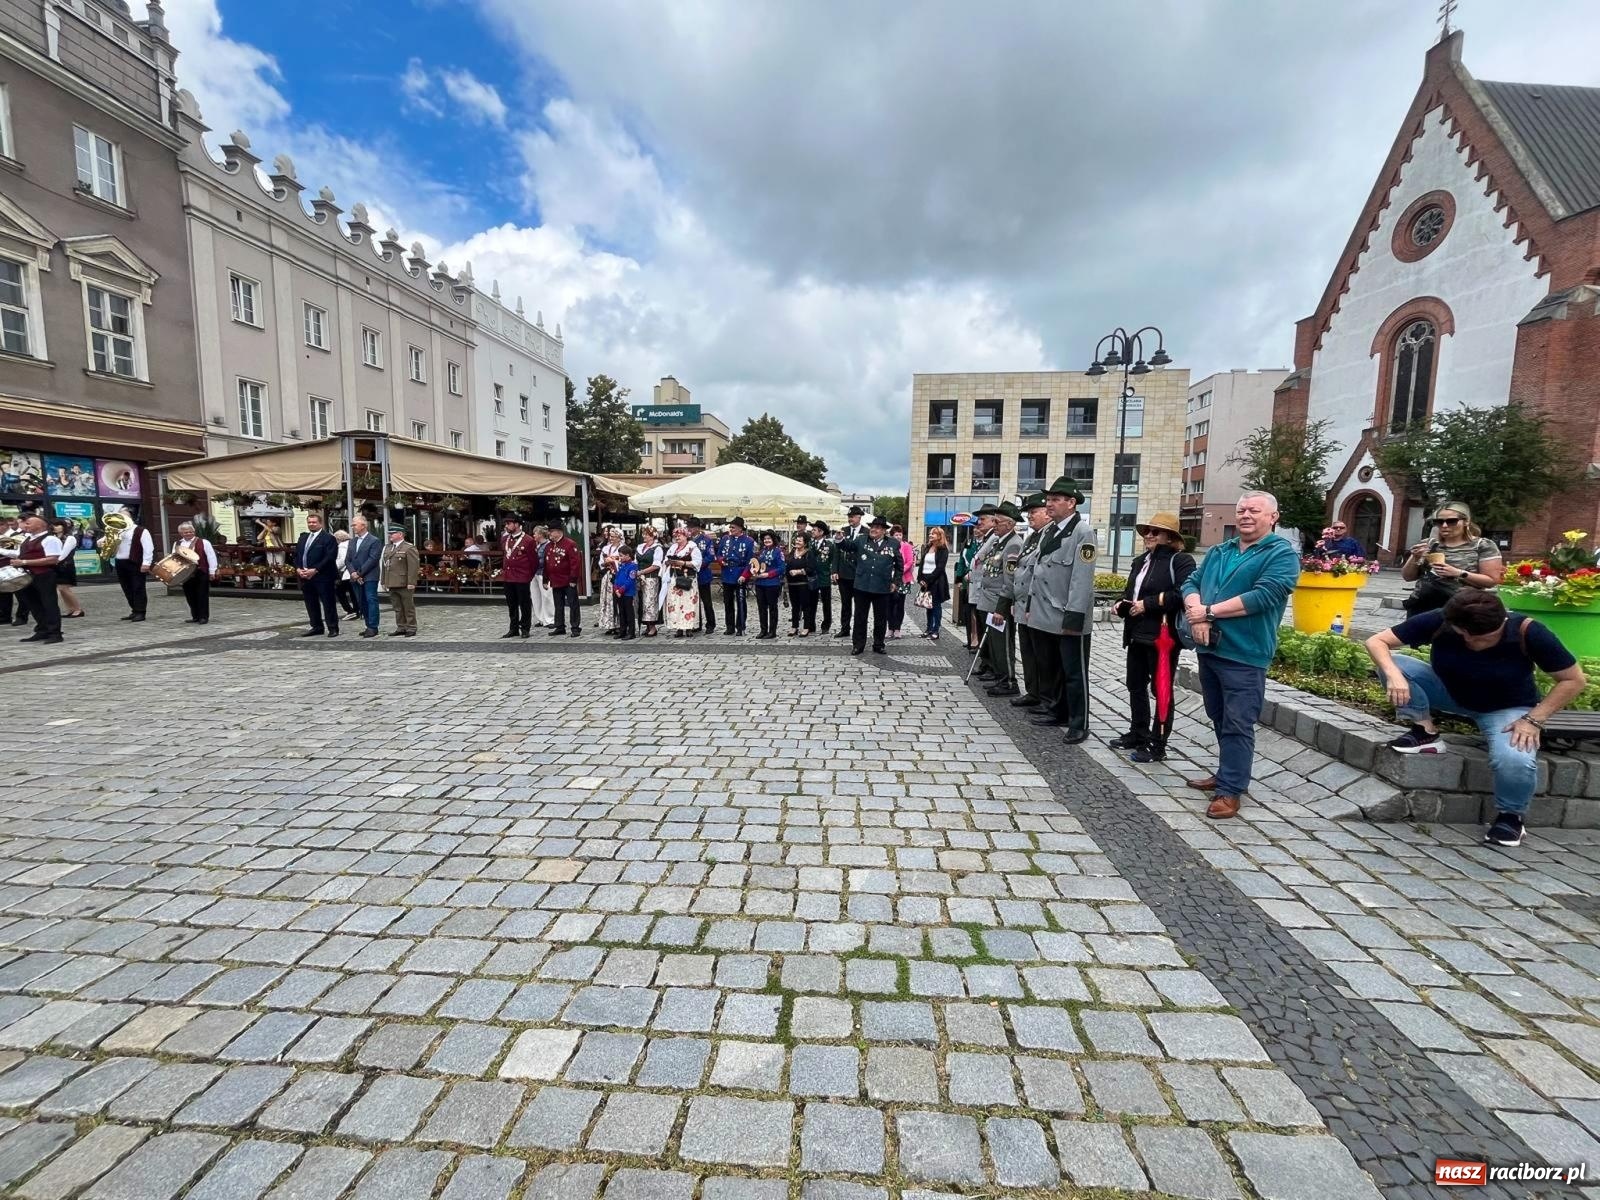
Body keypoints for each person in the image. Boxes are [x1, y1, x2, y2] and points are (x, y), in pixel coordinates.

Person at [1365, 589, 1586, 847]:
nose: (1471, 641)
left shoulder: (1529, 631)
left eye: (1482, 638)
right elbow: (1377, 641)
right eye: (1463, 634)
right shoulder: (1441, 619)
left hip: (1506, 708)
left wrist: (1534, 719)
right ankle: (1425, 731)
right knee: (1396, 664)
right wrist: (1393, 674)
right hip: (1450, 693)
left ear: (1501, 623)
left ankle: (1511, 816)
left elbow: (1573, 680)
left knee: (1514, 759)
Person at [1180, 490, 1302, 820]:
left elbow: (1265, 595)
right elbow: (1190, 582)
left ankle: (1231, 791)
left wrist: (1208, 612)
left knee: (1238, 722)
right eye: (1242, 509)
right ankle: (1227, 773)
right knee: (1219, 715)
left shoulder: (1281, 554)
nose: (1246, 515)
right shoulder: (1221, 550)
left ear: (1273, 517)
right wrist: (1197, 612)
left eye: (1255, 510)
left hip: (1245, 654)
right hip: (1211, 649)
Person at [1110, 512, 1196, 763]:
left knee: (1161, 691)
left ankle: (1158, 744)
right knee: (1134, 685)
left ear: (1169, 537)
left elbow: (1183, 593)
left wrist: (1148, 604)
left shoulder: (1181, 561)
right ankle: (1138, 732)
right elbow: (1129, 592)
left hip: (1162, 636)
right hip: (1136, 633)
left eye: (1155, 531)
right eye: (1147, 530)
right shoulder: (1140, 561)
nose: (1148, 535)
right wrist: (1120, 605)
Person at [1025, 479, 1098, 741]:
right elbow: (1036, 574)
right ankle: (1059, 711)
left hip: (1067, 615)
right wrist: (1030, 607)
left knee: (1074, 673)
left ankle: (1079, 722)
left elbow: (1081, 579)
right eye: (1049, 499)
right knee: (1053, 668)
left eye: (1056, 499)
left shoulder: (1082, 532)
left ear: (1071, 503)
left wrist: (1074, 616)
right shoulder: (1049, 532)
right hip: (1045, 614)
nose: (1049, 503)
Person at [1399, 501, 1504, 616]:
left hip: (1461, 608)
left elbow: (1492, 581)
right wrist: (1415, 557)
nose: (1444, 526)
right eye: (1439, 522)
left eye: (1451, 521)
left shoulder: (1483, 545)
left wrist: (1458, 573)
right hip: (1422, 606)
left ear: (1466, 521)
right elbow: (1407, 577)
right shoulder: (1429, 544)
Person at [971, 504, 1024, 693]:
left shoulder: (1014, 543)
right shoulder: (999, 542)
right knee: (994, 644)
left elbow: (1009, 581)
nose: (994, 525)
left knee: (1003, 645)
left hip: (998, 603)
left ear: (1010, 524)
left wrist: (1001, 608)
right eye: (993, 521)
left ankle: (1008, 681)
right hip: (988, 600)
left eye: (997, 521)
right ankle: (999, 676)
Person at [1011, 494, 1057, 709]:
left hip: (1037, 605)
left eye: (1033, 512)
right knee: (1028, 652)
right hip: (1023, 603)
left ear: (1047, 514)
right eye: (1028, 512)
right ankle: (1033, 691)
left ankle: (1046, 697)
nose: (1029, 516)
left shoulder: (1048, 536)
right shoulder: (1031, 538)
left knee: (1043, 656)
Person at [850, 516, 900, 655]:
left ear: (884, 530)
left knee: (880, 618)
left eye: (877, 527)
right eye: (872, 527)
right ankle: (858, 645)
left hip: (882, 587)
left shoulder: (893, 543)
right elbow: (848, 547)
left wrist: (895, 582)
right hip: (862, 585)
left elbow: (899, 566)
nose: (873, 529)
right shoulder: (861, 540)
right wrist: (839, 539)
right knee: (860, 617)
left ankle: (878, 644)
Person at [11, 516, 64, 643]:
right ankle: (42, 629)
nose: (25, 525)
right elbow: (20, 554)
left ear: (40, 526)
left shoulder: (50, 539)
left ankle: (55, 633)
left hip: (44, 575)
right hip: (28, 576)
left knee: (49, 603)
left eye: (28, 523)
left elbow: (53, 559)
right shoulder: (27, 539)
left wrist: (23, 561)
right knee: (33, 604)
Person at [291, 511, 339, 637]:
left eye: (314, 522)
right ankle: (316, 626)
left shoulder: (328, 538)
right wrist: (298, 568)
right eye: (309, 522)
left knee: (328, 603)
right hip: (305, 576)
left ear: (320, 523)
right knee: (311, 603)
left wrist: (315, 569)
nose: (311, 524)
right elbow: (296, 555)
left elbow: (330, 557)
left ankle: (333, 627)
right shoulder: (303, 538)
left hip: (323, 576)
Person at [959, 507, 997, 652]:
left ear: (993, 521)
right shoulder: (973, 542)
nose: (978, 525)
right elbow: (966, 559)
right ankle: (975, 643)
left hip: (986, 590)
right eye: (977, 522)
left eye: (982, 520)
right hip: (973, 585)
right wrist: (959, 576)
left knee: (985, 626)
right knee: (971, 616)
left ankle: (985, 655)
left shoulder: (993, 539)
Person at [716, 518, 756, 636]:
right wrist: (721, 561)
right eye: (730, 527)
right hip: (727, 573)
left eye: (733, 527)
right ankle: (730, 626)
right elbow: (718, 554)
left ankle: (740, 626)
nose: (731, 529)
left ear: (740, 528)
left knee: (741, 601)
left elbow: (751, 561)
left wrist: (744, 575)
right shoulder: (725, 539)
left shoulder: (749, 541)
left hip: (740, 573)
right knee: (728, 602)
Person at [831, 506, 866, 640]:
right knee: (845, 604)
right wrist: (834, 570)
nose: (850, 519)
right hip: (844, 573)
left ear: (859, 517)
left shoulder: (866, 532)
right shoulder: (843, 531)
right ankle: (845, 628)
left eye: (853, 516)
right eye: (849, 516)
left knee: (860, 605)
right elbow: (836, 552)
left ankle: (858, 629)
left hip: (859, 574)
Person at [174, 521, 219, 625]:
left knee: (202, 595)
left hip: (200, 571)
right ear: (181, 533)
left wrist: (212, 571)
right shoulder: (178, 544)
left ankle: (203, 617)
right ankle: (195, 616)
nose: (189, 534)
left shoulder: (204, 542)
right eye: (186, 532)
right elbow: (174, 558)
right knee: (190, 595)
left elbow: (211, 557)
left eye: (191, 531)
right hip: (185, 574)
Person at [498, 514, 535, 639]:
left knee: (524, 603)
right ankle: (513, 628)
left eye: (509, 523)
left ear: (517, 524)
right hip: (508, 577)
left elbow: (534, 561)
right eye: (506, 524)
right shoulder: (504, 539)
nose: (506, 526)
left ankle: (525, 628)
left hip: (522, 577)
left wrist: (528, 576)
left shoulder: (528, 540)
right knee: (511, 604)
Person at [112, 514, 154, 622]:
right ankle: (134, 610)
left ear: (130, 518)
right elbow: (102, 543)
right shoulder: (116, 530)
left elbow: (148, 547)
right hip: (120, 562)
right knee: (126, 588)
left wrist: (146, 563)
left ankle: (141, 612)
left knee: (138, 587)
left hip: (135, 562)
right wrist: (102, 542)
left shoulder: (141, 530)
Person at [379, 525, 420, 636]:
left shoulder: (408, 548)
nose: (390, 535)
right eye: (389, 533)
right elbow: (385, 566)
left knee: (408, 607)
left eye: (392, 533)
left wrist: (411, 582)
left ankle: (411, 627)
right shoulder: (388, 548)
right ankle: (401, 626)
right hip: (391, 582)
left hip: (404, 582)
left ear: (400, 534)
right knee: (397, 607)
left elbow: (413, 567)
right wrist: (383, 581)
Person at [345, 516, 382, 638]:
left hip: (369, 576)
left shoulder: (374, 540)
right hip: (355, 576)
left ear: (363, 525)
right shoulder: (352, 541)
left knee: (371, 600)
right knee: (361, 601)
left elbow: (373, 559)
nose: (353, 527)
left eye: (355, 524)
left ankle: (373, 626)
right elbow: (348, 560)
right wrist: (353, 572)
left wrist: (360, 573)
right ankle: (367, 625)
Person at [663, 526, 703, 638]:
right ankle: (679, 627)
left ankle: (689, 627)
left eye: (679, 535)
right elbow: (665, 560)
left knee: (688, 602)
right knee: (675, 602)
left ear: (686, 536)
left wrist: (683, 563)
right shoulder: (673, 548)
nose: (677, 537)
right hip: (675, 577)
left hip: (687, 578)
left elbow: (697, 562)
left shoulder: (692, 547)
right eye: (675, 535)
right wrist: (669, 562)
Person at [752, 530, 786, 639]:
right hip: (760, 583)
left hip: (772, 583)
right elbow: (757, 565)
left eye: (769, 539)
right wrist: (754, 571)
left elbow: (782, 568)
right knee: (761, 607)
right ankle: (763, 630)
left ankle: (772, 631)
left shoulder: (778, 552)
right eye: (765, 539)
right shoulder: (762, 551)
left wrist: (769, 574)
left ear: (773, 540)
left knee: (772, 608)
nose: (766, 540)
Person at [918, 526, 950, 640]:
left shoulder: (943, 549)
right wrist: (920, 578)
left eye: (933, 534)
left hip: (936, 581)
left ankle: (936, 630)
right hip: (925, 580)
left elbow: (940, 568)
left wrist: (928, 580)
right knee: (928, 606)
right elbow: (922, 564)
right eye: (930, 533)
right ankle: (928, 628)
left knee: (936, 606)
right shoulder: (927, 547)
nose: (930, 535)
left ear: (939, 536)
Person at [688, 517, 718, 635]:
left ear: (697, 528)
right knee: (692, 600)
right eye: (688, 527)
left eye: (691, 527)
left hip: (702, 573)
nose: (689, 529)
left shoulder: (706, 540)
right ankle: (696, 623)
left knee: (706, 601)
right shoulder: (687, 540)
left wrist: (698, 564)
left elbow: (710, 556)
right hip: (689, 574)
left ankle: (710, 624)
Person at [50, 520, 85, 619]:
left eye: (58, 525)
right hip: (57, 566)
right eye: (54, 525)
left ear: (63, 527)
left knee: (64, 588)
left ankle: (78, 609)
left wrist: (54, 560)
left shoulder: (70, 538)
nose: (55, 527)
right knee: (61, 590)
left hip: (66, 566)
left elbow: (64, 554)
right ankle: (71, 609)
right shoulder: (54, 538)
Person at [788, 532, 819, 636]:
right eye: (796, 540)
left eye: (800, 540)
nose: (797, 542)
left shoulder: (809, 553)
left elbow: (811, 568)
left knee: (806, 606)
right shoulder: (792, 552)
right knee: (795, 606)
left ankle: (806, 627)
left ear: (805, 543)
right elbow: (788, 564)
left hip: (804, 583)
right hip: (792, 584)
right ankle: (794, 626)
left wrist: (798, 571)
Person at [637, 525, 666, 637]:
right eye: (643, 534)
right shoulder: (640, 547)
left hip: (651, 578)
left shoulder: (657, 548)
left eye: (646, 534)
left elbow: (656, 565)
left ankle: (652, 626)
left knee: (650, 602)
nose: (644, 536)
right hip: (640, 578)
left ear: (652, 536)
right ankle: (646, 625)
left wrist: (642, 571)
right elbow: (636, 561)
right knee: (642, 602)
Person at [888, 525, 916, 639]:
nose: (898, 537)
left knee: (900, 604)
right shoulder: (888, 546)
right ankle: (890, 627)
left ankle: (897, 628)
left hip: (903, 579)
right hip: (889, 579)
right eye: (896, 535)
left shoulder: (907, 546)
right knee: (889, 604)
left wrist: (899, 572)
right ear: (892, 536)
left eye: (900, 534)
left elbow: (909, 562)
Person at [598, 527, 624, 636]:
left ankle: (619, 624)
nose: (611, 538)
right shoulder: (606, 548)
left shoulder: (623, 548)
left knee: (617, 600)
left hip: (619, 576)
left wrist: (614, 561)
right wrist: (606, 562)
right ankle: (609, 624)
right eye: (610, 536)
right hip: (608, 576)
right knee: (607, 600)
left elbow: (626, 561)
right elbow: (601, 563)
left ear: (619, 537)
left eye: (613, 536)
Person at [811, 521, 834, 632]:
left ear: (821, 532)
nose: (812, 531)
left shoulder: (829, 545)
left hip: (824, 577)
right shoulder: (810, 544)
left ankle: (826, 624)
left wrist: (832, 572)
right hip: (812, 577)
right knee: (811, 602)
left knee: (826, 602)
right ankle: (810, 624)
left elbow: (832, 560)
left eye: (814, 530)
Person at [530, 526, 555, 629]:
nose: (533, 535)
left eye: (535, 533)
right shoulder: (537, 545)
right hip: (534, 573)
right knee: (536, 597)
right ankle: (540, 618)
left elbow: (546, 560)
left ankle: (550, 619)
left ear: (540, 534)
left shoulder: (548, 545)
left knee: (547, 596)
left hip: (543, 573)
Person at [613, 547, 639, 640]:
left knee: (629, 612)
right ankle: (622, 630)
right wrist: (616, 588)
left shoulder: (633, 566)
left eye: (621, 556)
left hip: (628, 593)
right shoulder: (621, 565)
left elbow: (630, 580)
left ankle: (631, 632)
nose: (620, 558)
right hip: (619, 592)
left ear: (628, 556)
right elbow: (617, 577)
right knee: (621, 612)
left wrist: (621, 590)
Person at [333, 530, 359, 616]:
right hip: (352, 571)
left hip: (346, 573)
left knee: (340, 592)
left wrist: (335, 567)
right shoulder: (352, 543)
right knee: (353, 593)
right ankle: (357, 610)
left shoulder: (342, 546)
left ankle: (350, 610)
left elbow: (342, 560)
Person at [257, 517, 285, 588]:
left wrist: (261, 523)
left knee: (280, 566)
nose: (267, 523)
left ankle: (280, 583)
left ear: (274, 523)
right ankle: (276, 583)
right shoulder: (266, 530)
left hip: (278, 550)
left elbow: (272, 531)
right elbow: (259, 538)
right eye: (267, 522)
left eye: (269, 522)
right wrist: (264, 529)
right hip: (269, 551)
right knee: (272, 567)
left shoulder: (277, 528)